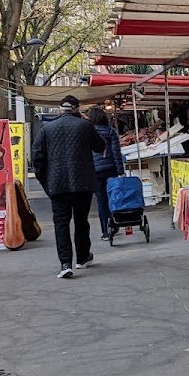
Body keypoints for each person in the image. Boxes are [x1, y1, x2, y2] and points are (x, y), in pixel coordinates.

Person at [31, 95, 106, 278]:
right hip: (82, 183)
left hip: (57, 184)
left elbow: (37, 157)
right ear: (76, 109)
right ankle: (82, 257)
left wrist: (46, 181)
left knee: (61, 223)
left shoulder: (47, 129)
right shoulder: (85, 126)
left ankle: (65, 264)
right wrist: (87, 122)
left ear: (60, 109)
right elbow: (100, 146)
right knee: (81, 221)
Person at [88, 106, 125, 239]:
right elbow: (116, 153)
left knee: (101, 200)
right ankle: (114, 224)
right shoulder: (110, 131)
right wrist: (120, 171)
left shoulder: (88, 133)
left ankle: (105, 231)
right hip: (110, 169)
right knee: (113, 197)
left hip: (95, 171)